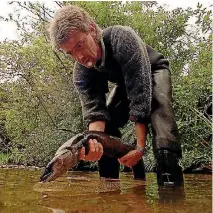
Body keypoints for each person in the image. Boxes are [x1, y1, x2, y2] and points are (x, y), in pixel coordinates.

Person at [49, 5, 184, 185]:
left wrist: (140, 148)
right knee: (107, 128)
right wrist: (94, 145)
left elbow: (140, 97)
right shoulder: (81, 72)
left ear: (91, 29)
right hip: (125, 83)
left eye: (79, 45)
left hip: (154, 70)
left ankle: (172, 193)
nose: (78, 56)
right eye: (71, 52)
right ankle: (109, 191)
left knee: (161, 122)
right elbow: (95, 114)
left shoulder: (122, 38)